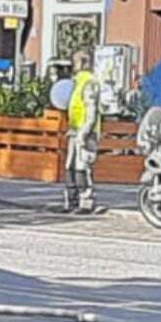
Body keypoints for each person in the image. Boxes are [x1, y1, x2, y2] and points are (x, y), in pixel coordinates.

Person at [63, 51, 101, 214]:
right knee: (70, 167)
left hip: (85, 133)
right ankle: (72, 202)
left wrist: (83, 134)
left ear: (83, 63)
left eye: (75, 61)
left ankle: (85, 203)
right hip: (75, 130)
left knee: (82, 167)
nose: (73, 65)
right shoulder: (77, 82)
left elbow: (91, 113)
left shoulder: (88, 83)